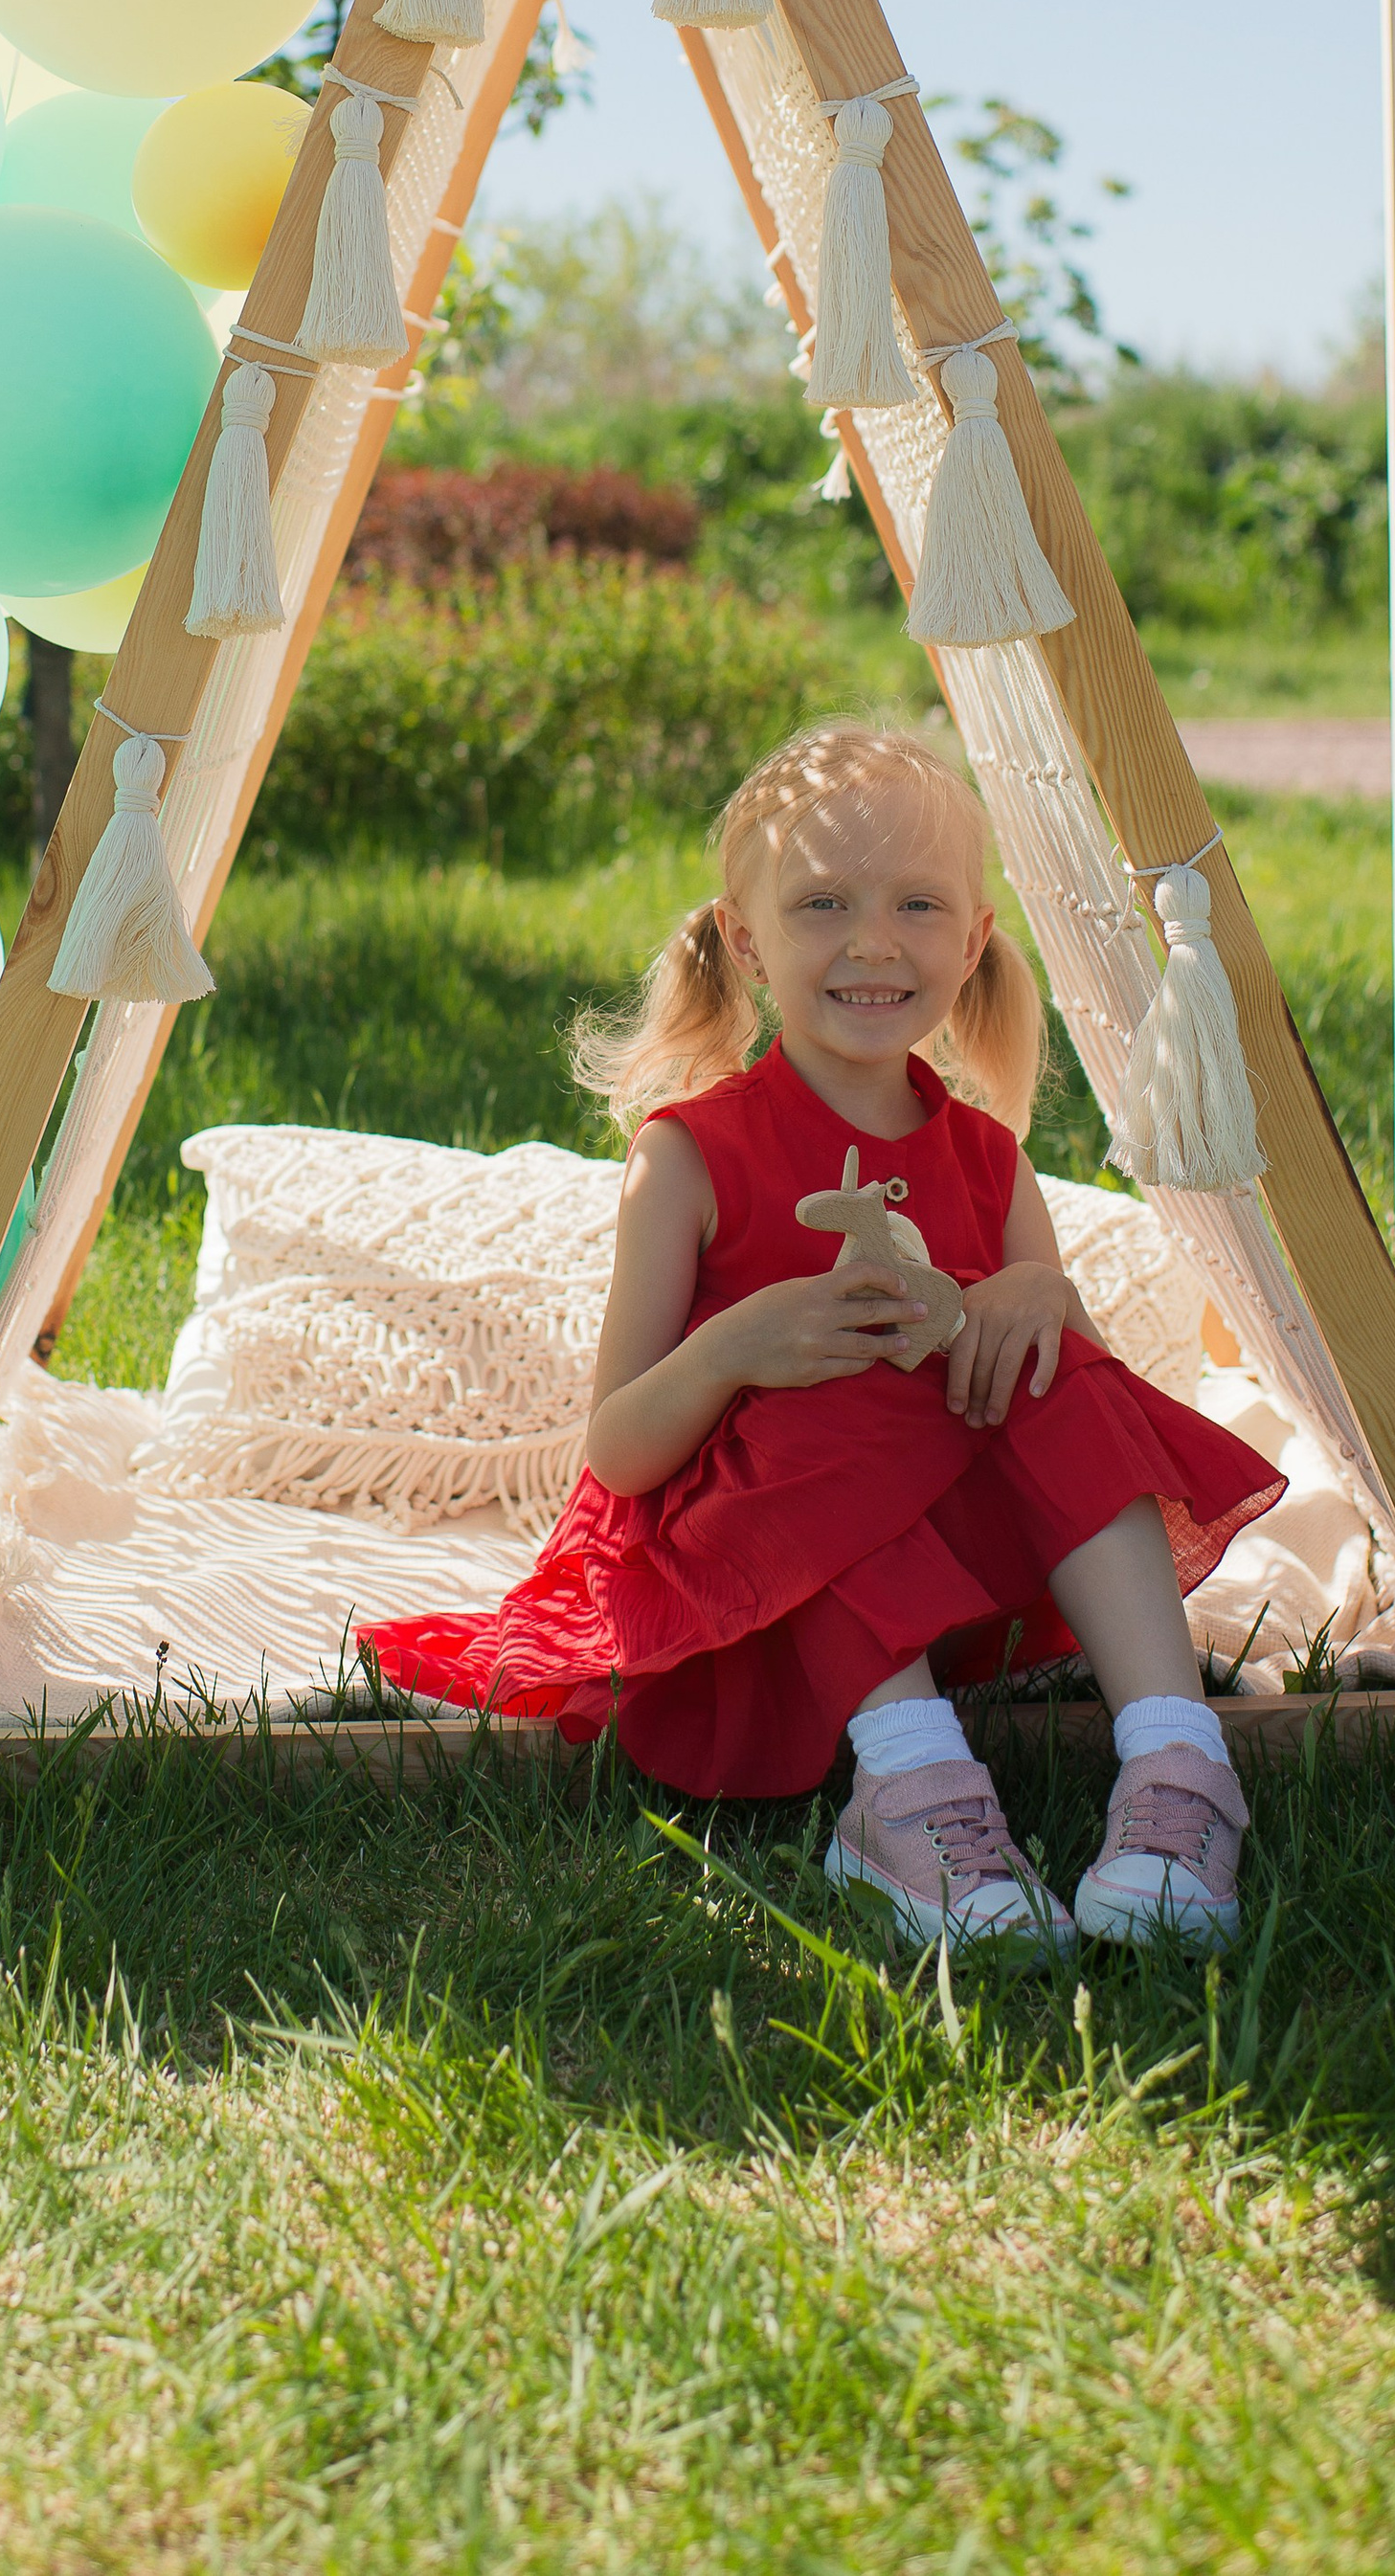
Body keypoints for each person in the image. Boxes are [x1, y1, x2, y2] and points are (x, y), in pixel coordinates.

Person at [360, 720, 1285, 1953]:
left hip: (955, 1579)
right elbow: (621, 1453)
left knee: (1045, 1353)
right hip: (753, 1582)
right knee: (811, 1404)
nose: (871, 942)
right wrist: (734, 1346)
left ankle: (1176, 1770)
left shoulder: (984, 1159)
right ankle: (910, 1800)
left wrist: (1039, 1298)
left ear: (972, 942)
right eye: (821, 905)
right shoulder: (689, 1158)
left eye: (915, 904)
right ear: (746, 940)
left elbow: (1077, 1432)